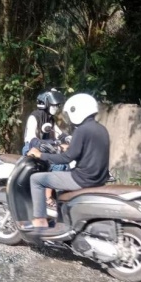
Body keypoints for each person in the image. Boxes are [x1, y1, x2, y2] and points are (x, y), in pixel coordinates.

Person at [24, 93, 110, 230]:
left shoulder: (82, 130)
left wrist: (41, 155)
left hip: (82, 179)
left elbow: (66, 158)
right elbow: (85, 151)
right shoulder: (101, 129)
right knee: (62, 178)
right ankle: (62, 220)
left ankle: (40, 220)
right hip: (98, 178)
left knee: (36, 179)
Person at [23, 88, 69, 217]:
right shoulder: (34, 116)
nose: (56, 107)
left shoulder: (50, 118)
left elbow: (58, 133)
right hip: (31, 148)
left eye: (57, 105)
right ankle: (48, 199)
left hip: (45, 146)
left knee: (64, 161)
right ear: (46, 103)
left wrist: (68, 138)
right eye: (54, 105)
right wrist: (45, 144)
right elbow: (31, 138)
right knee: (56, 163)